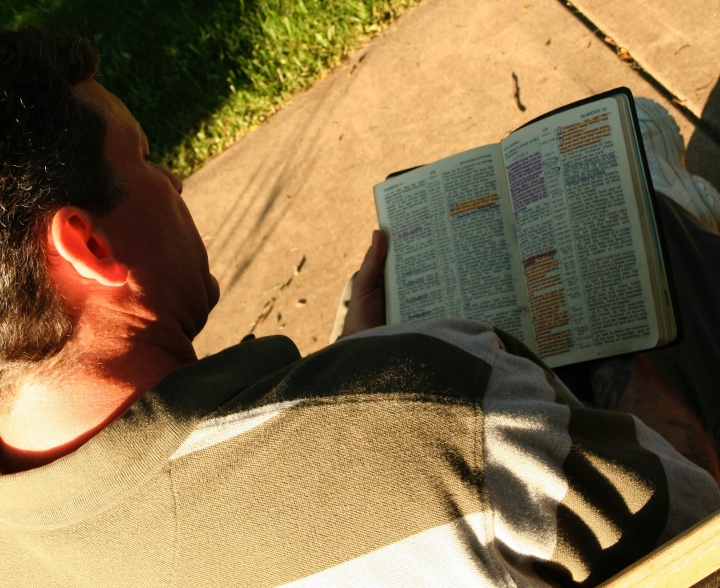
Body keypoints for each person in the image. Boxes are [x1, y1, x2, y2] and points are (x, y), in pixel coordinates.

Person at [0, 27, 717, 588]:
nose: (177, 179)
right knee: (651, 150)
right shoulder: (445, 415)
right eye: (149, 156)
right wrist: (634, 364)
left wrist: (345, 368)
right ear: (86, 246)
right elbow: (700, 545)